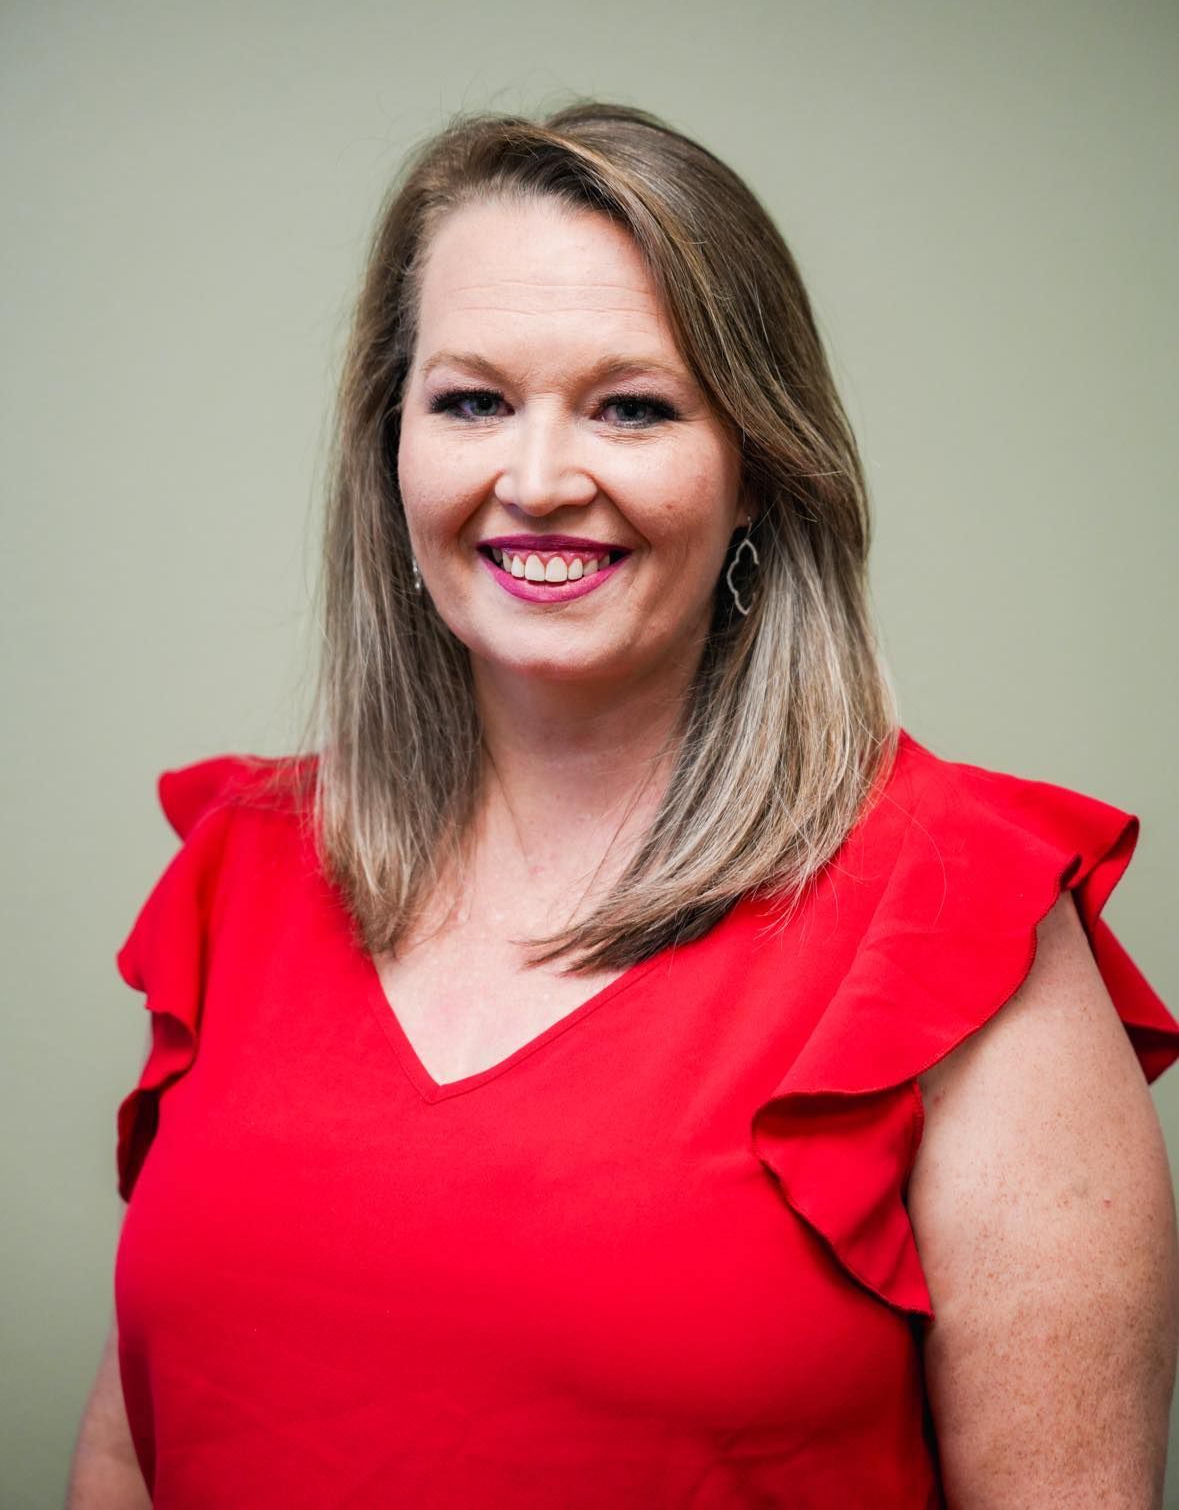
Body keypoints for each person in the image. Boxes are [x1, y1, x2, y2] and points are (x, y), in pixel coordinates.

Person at [70, 102, 1179, 1508]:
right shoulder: (247, 873)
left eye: (633, 407)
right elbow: (136, 1442)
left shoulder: (956, 924)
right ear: (391, 455)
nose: (536, 482)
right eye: (471, 402)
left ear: (760, 473)